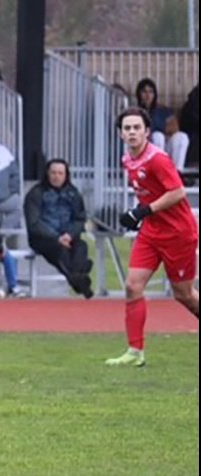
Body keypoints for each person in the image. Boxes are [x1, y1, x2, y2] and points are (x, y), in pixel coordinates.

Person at [106, 106, 199, 367]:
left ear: (147, 132)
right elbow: (147, 191)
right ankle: (135, 351)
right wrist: (139, 216)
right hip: (151, 232)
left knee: (184, 294)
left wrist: (143, 210)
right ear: (121, 134)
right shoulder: (128, 159)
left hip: (178, 233)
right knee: (132, 286)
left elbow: (178, 192)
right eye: (127, 128)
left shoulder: (157, 159)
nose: (132, 132)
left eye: (137, 127)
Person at [24, 159, 94, 298]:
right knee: (60, 250)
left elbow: (80, 219)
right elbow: (34, 223)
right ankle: (80, 277)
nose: (56, 176)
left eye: (60, 173)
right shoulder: (36, 193)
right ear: (47, 174)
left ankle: (76, 278)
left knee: (81, 247)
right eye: (53, 173)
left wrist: (69, 234)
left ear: (66, 175)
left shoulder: (73, 193)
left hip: (69, 236)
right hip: (43, 239)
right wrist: (57, 237)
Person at [135, 78, 189, 172]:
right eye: (144, 92)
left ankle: (176, 173)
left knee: (182, 137)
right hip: (143, 149)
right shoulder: (134, 112)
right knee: (157, 136)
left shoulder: (163, 110)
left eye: (151, 92)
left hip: (164, 146)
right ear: (139, 94)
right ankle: (158, 173)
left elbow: (174, 128)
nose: (148, 95)